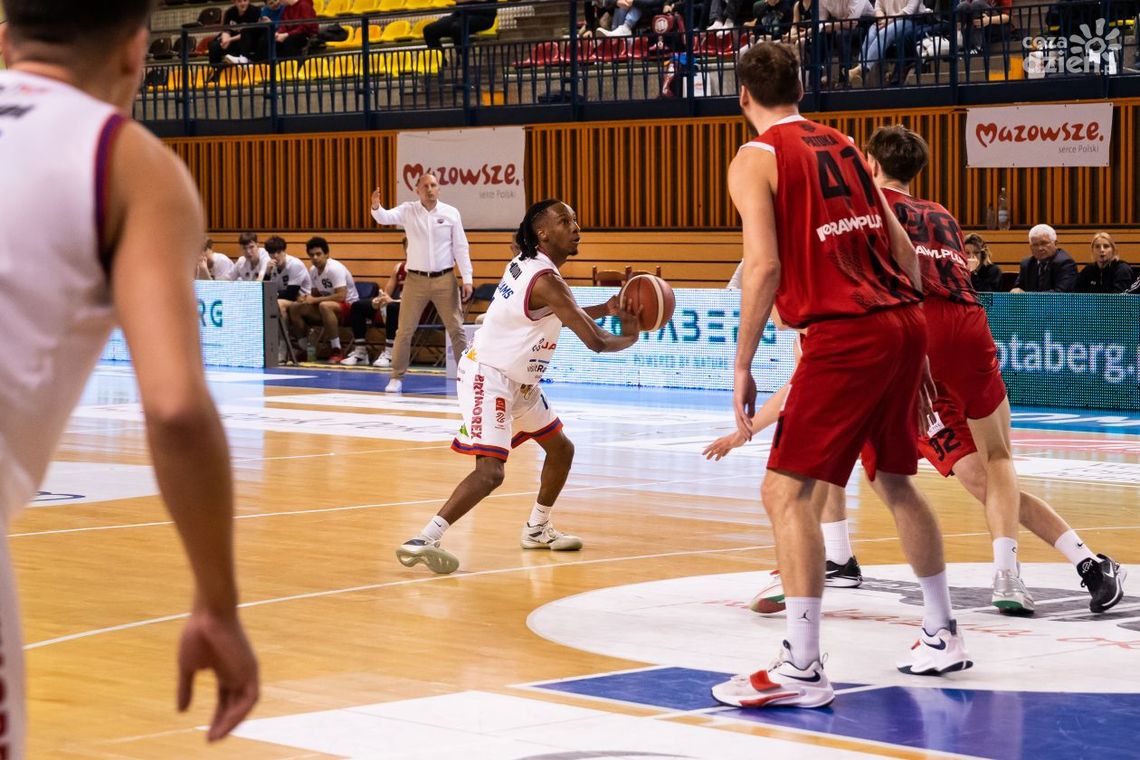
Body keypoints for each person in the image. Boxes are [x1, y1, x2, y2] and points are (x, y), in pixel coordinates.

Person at [0, 0, 259, 751]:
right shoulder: (128, 160)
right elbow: (175, 406)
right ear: (134, 52)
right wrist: (218, 604)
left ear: (7, 38)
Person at [712, 42, 966, 712]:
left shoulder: (754, 157)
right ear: (802, 87)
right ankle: (942, 633)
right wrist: (916, 341)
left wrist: (741, 364)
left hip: (846, 332)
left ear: (743, 97)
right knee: (894, 481)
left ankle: (801, 665)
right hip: (902, 320)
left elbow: (763, 268)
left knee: (784, 494)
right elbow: (904, 250)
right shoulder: (850, 146)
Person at [866, 124, 1125, 615]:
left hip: (913, 333)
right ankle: (1065, 566)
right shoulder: (940, 213)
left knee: (860, 465)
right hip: (964, 322)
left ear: (872, 165)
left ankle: (822, 558)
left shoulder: (867, 209)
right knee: (997, 464)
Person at [395, 200, 640, 575]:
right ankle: (424, 538)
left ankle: (537, 529)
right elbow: (597, 342)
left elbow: (558, 311)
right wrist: (634, 335)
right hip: (489, 375)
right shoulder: (546, 280)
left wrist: (606, 308)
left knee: (561, 450)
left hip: (520, 381)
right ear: (543, 233)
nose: (576, 228)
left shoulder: (529, 263)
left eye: (575, 220)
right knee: (491, 472)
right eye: (565, 221)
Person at [370, 174, 473, 393]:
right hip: (415, 279)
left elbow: (461, 247)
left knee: (456, 329)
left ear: (439, 189)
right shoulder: (408, 210)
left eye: (434, 185)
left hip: (445, 278)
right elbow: (384, 217)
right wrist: (377, 206)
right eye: (425, 186)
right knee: (404, 330)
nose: (430, 189)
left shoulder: (451, 212)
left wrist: (468, 279)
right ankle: (396, 377)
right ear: (417, 190)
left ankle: (468, 377)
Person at [289, 236, 358, 363]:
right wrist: (305, 299)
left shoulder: (334, 268)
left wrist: (314, 301)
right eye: (311, 255)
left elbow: (341, 296)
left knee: (324, 305)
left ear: (326, 254)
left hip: (350, 308)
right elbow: (315, 295)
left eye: (318, 254)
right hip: (327, 308)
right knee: (295, 308)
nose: (315, 258)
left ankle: (337, 349)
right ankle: (305, 349)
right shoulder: (313, 270)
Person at [342, 238, 407, 368]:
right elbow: (387, 292)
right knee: (358, 306)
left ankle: (390, 353)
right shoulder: (399, 267)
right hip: (397, 304)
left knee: (393, 307)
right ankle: (361, 353)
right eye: (407, 247)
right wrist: (380, 299)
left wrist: (392, 301)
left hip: (417, 308)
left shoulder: (427, 270)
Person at [263, 235, 312, 332]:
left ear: (284, 251)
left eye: (278, 252)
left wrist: (273, 295)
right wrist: (267, 274)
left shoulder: (294, 264)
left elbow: (291, 294)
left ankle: (284, 341)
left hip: (303, 300)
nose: (275, 256)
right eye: (272, 253)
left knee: (277, 304)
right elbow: (265, 290)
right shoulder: (271, 267)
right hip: (288, 299)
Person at [1010, 224, 1077, 292]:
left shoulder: (1065, 263)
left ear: (1055, 243)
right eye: (1035, 245)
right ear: (1030, 247)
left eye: (1044, 243)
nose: (1040, 248)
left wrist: (1027, 296)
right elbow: (1018, 288)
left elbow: (1060, 295)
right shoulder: (1027, 264)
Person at [209, 0, 261, 70]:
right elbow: (226, 30)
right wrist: (225, 40)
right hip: (233, 40)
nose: (242, 3)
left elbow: (247, 32)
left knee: (241, 43)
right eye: (239, 1)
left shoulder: (255, 11)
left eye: (245, 1)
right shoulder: (230, 12)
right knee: (214, 46)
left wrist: (229, 39)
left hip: (248, 41)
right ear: (234, 2)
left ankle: (241, 63)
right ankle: (216, 69)